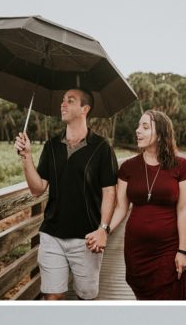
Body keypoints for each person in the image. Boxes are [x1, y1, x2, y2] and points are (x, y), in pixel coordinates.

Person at [14, 88, 118, 300]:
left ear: (84, 109)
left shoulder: (101, 148)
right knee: (53, 297)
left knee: (86, 297)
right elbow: (37, 188)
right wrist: (26, 157)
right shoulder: (52, 146)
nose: (63, 104)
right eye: (63, 100)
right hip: (52, 234)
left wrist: (103, 230)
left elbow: (109, 192)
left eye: (70, 101)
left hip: (87, 238)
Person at [96, 110, 186, 300]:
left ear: (161, 134)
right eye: (138, 126)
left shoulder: (182, 166)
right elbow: (121, 208)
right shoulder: (128, 167)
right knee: (143, 300)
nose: (137, 131)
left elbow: (184, 210)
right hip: (136, 250)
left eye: (145, 127)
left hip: (168, 248)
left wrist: (183, 250)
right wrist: (104, 230)